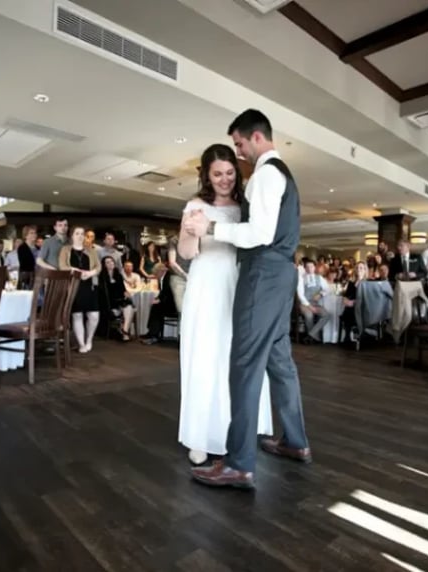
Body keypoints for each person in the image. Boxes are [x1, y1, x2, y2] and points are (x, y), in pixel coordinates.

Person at [185, 109, 310, 489]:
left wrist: (211, 226)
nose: (239, 152)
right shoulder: (284, 174)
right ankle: (295, 441)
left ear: (256, 137)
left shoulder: (266, 175)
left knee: (243, 363)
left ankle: (238, 463)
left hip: (263, 274)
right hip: (282, 275)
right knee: (280, 362)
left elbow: (259, 234)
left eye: (239, 144)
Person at [176, 143, 273, 466]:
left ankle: (239, 430)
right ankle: (202, 435)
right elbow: (186, 252)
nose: (225, 179)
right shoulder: (195, 205)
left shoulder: (245, 206)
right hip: (206, 286)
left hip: (238, 286)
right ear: (206, 175)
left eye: (230, 173)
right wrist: (193, 229)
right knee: (206, 357)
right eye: (217, 174)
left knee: (236, 357)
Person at [59, 226, 100, 353]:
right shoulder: (65, 249)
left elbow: (98, 266)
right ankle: (81, 344)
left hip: (89, 285)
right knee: (77, 315)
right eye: (77, 233)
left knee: (94, 315)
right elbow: (62, 266)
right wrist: (74, 270)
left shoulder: (91, 250)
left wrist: (91, 273)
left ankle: (89, 340)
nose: (80, 236)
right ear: (72, 236)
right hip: (73, 286)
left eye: (82, 234)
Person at [97, 256, 134, 341]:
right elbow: (101, 294)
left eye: (112, 261)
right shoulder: (102, 277)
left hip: (119, 300)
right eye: (108, 262)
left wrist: (126, 293)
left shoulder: (118, 275)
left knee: (129, 306)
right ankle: (124, 333)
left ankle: (124, 331)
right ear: (104, 265)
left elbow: (123, 290)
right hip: (108, 302)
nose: (111, 263)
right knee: (126, 307)